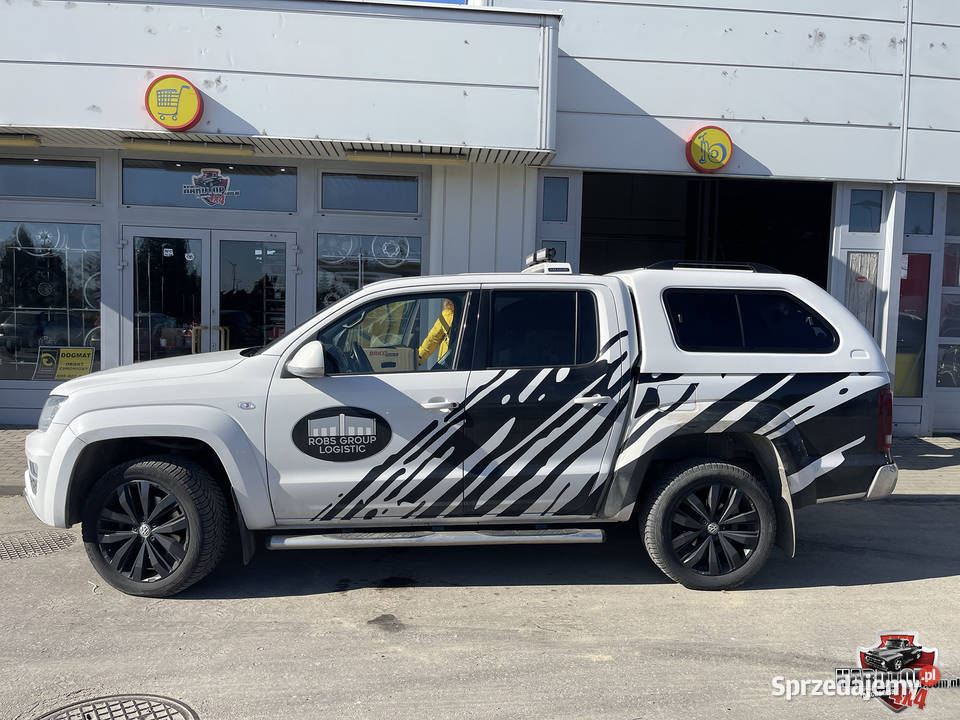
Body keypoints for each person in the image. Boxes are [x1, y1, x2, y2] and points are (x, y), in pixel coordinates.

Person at [417, 298, 455, 368]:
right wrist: (418, 359)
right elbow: (432, 340)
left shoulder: (446, 315)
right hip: (446, 364)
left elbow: (432, 340)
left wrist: (417, 359)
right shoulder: (446, 315)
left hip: (449, 365)